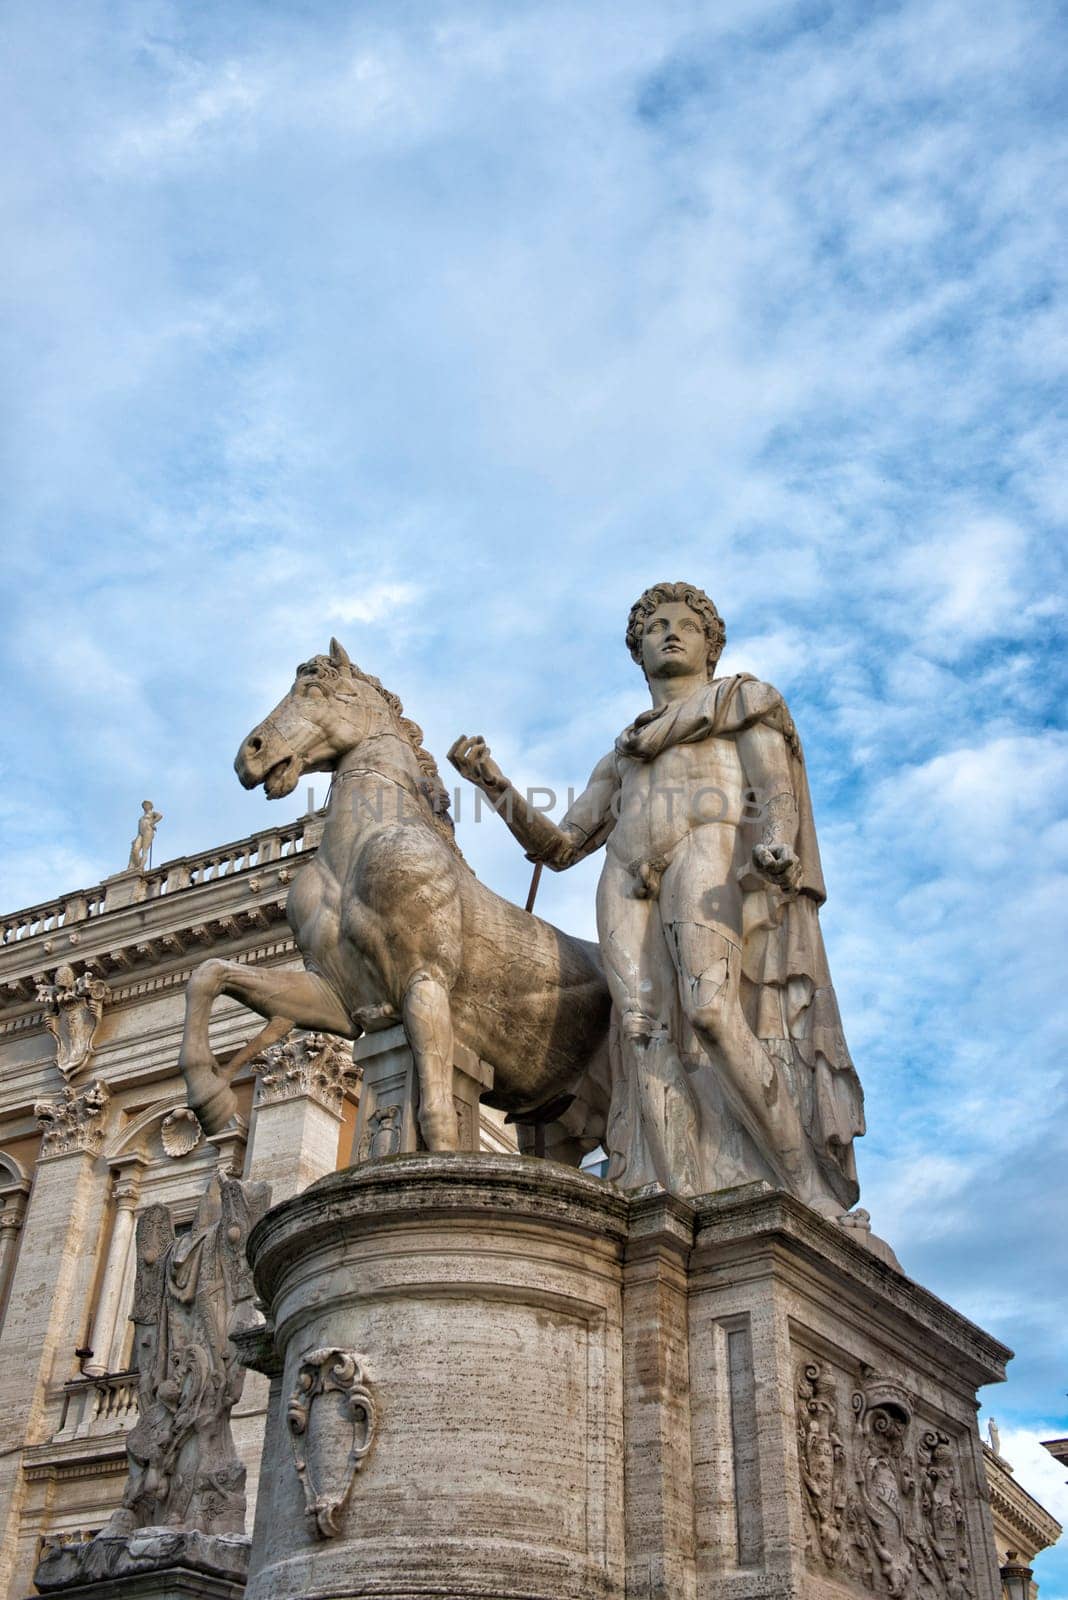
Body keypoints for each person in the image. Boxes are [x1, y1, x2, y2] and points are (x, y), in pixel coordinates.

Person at [448, 581, 864, 1217]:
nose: (670, 632)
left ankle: (801, 1180)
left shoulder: (739, 701)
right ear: (637, 651)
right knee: (639, 1035)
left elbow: (774, 786)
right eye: (654, 626)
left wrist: (778, 841)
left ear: (711, 645)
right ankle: (668, 1191)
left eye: (686, 625)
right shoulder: (622, 755)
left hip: (712, 849)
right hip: (624, 875)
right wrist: (495, 784)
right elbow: (561, 846)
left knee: (712, 1012)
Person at [128, 800, 163, 872]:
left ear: (150, 806)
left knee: (144, 850)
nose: (145, 806)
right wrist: (136, 837)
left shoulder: (152, 813)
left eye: (146, 805)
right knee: (135, 849)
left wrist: (152, 823)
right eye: (144, 805)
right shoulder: (141, 818)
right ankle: (137, 864)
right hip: (140, 833)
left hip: (148, 831)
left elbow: (160, 816)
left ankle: (141, 867)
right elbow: (139, 828)